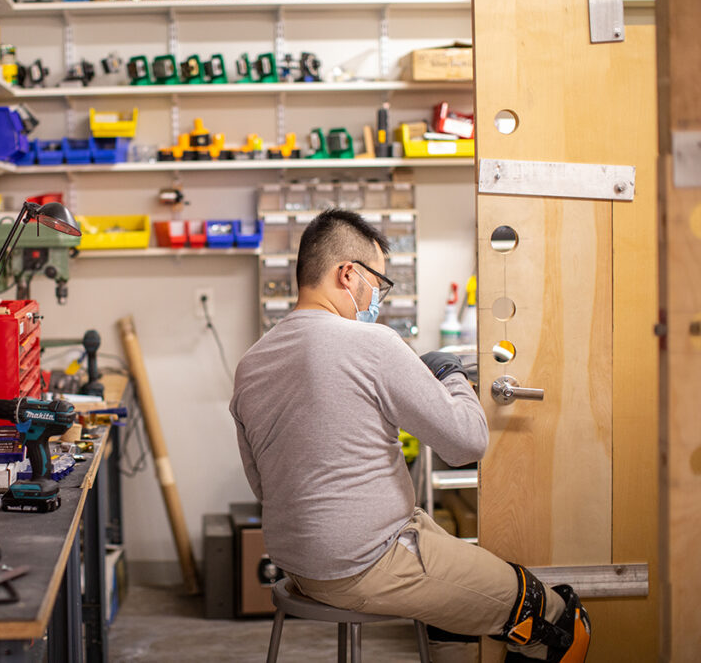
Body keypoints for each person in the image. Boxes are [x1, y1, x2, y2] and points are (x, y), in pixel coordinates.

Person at [229, 209, 590, 662]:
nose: (377, 295)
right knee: (554, 618)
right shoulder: (372, 344)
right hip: (367, 564)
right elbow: (466, 444)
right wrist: (451, 373)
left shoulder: (252, 363)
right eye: (378, 283)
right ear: (348, 274)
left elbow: (262, 483)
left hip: (299, 563)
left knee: (456, 603)